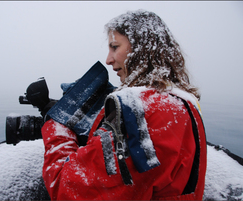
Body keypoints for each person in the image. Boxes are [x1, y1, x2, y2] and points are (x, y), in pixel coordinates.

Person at [41, 10, 207, 200]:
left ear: (141, 49)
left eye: (114, 47)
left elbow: (67, 188)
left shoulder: (140, 113)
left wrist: (57, 124)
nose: (108, 59)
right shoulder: (183, 103)